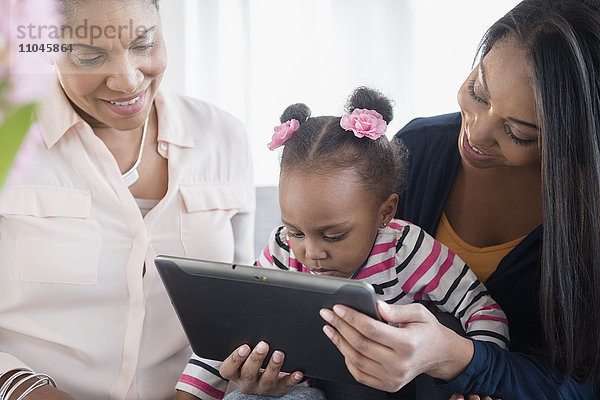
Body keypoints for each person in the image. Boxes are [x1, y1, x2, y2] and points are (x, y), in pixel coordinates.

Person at [311, 0, 600, 399]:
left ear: (576, 136)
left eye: (518, 133)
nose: (476, 135)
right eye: (478, 93)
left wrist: (462, 360)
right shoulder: (418, 149)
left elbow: (585, 386)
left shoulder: (589, 217)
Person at [173, 87, 510, 400]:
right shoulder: (283, 250)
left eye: (333, 235)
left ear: (385, 212)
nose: (311, 253)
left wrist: (474, 381)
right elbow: (227, 333)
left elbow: (482, 308)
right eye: (296, 231)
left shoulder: (403, 250)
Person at [0, 0, 254, 399]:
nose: (127, 78)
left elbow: (240, 307)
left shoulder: (223, 137)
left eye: (144, 43)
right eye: (89, 55)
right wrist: (20, 388)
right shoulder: (8, 136)